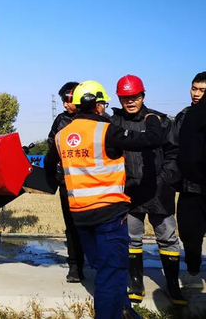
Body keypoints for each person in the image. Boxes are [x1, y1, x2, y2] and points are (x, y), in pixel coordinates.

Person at [46, 80, 166, 319]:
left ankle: (124, 310)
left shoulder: (62, 135)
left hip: (80, 216)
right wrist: (152, 120)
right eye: (103, 103)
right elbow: (151, 139)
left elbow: (50, 167)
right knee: (111, 272)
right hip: (109, 216)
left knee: (105, 269)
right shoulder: (106, 131)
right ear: (98, 105)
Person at [110, 75, 185, 305]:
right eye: (125, 98)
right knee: (132, 239)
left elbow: (174, 153)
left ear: (142, 96)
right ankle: (136, 282)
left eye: (134, 97)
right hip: (128, 191)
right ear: (120, 99)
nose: (130, 102)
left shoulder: (160, 121)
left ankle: (173, 286)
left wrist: (164, 179)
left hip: (158, 190)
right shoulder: (114, 124)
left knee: (168, 238)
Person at [47, 81, 85, 283]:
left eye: (67, 100)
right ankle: (75, 267)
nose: (64, 105)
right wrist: (57, 172)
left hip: (92, 184)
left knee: (93, 226)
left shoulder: (97, 118)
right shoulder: (61, 121)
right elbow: (51, 144)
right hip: (68, 184)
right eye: (62, 101)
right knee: (71, 226)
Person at [175, 71, 206, 289]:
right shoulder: (184, 115)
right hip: (190, 186)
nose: (196, 94)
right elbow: (173, 148)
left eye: (202, 90)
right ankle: (193, 272)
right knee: (189, 231)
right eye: (194, 88)